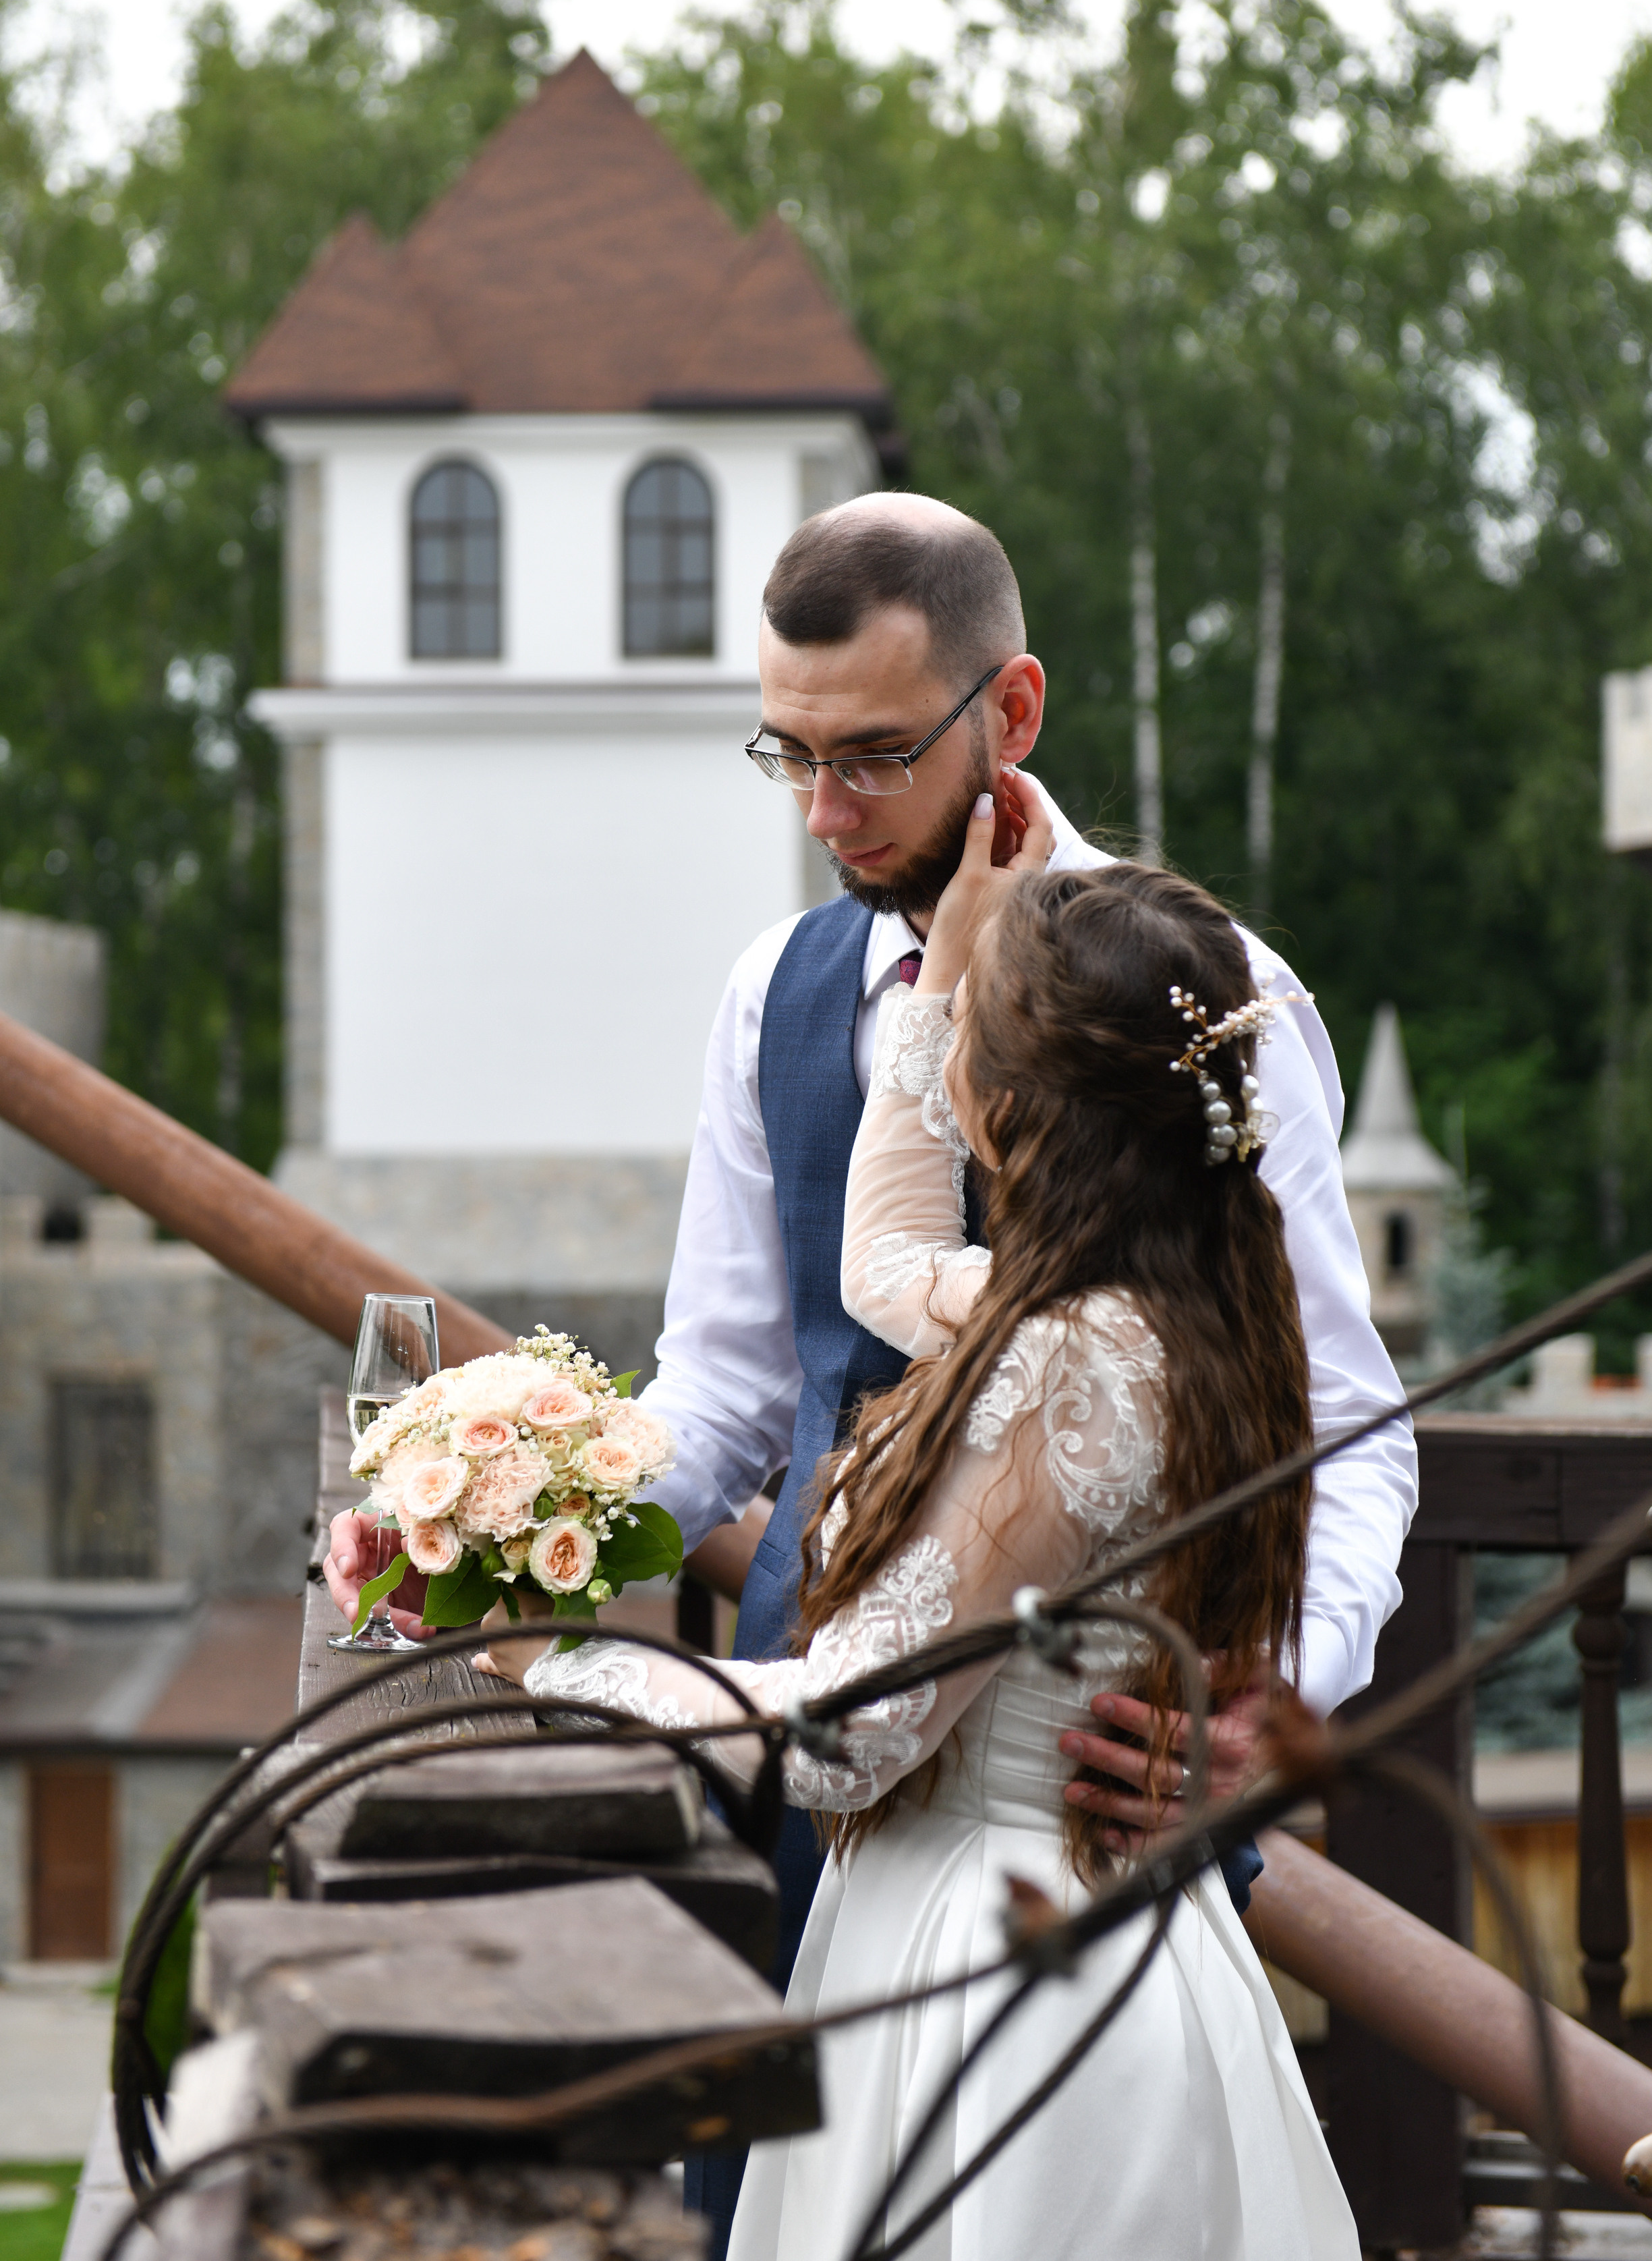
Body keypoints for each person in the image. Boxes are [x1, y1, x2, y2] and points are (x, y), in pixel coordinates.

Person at [325, 495, 1412, 2248]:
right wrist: (504, 1522)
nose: (827, 813)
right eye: (791, 756)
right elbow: (729, 1383)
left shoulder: (1216, 1003)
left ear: (1013, 710)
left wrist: (1264, 1699)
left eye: (876, 757)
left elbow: (1338, 1428)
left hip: (1082, 1792)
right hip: (798, 1785)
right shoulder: (778, 992)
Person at [476, 833, 1361, 2260]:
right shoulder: (1172, 1305)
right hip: (1073, 1925)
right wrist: (950, 962)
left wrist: (561, 1667)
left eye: (962, 1039)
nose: (939, 1049)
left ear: (1004, 1106)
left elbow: (851, 1734)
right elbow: (879, 1264)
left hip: (998, 1974)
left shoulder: (1061, 1364)